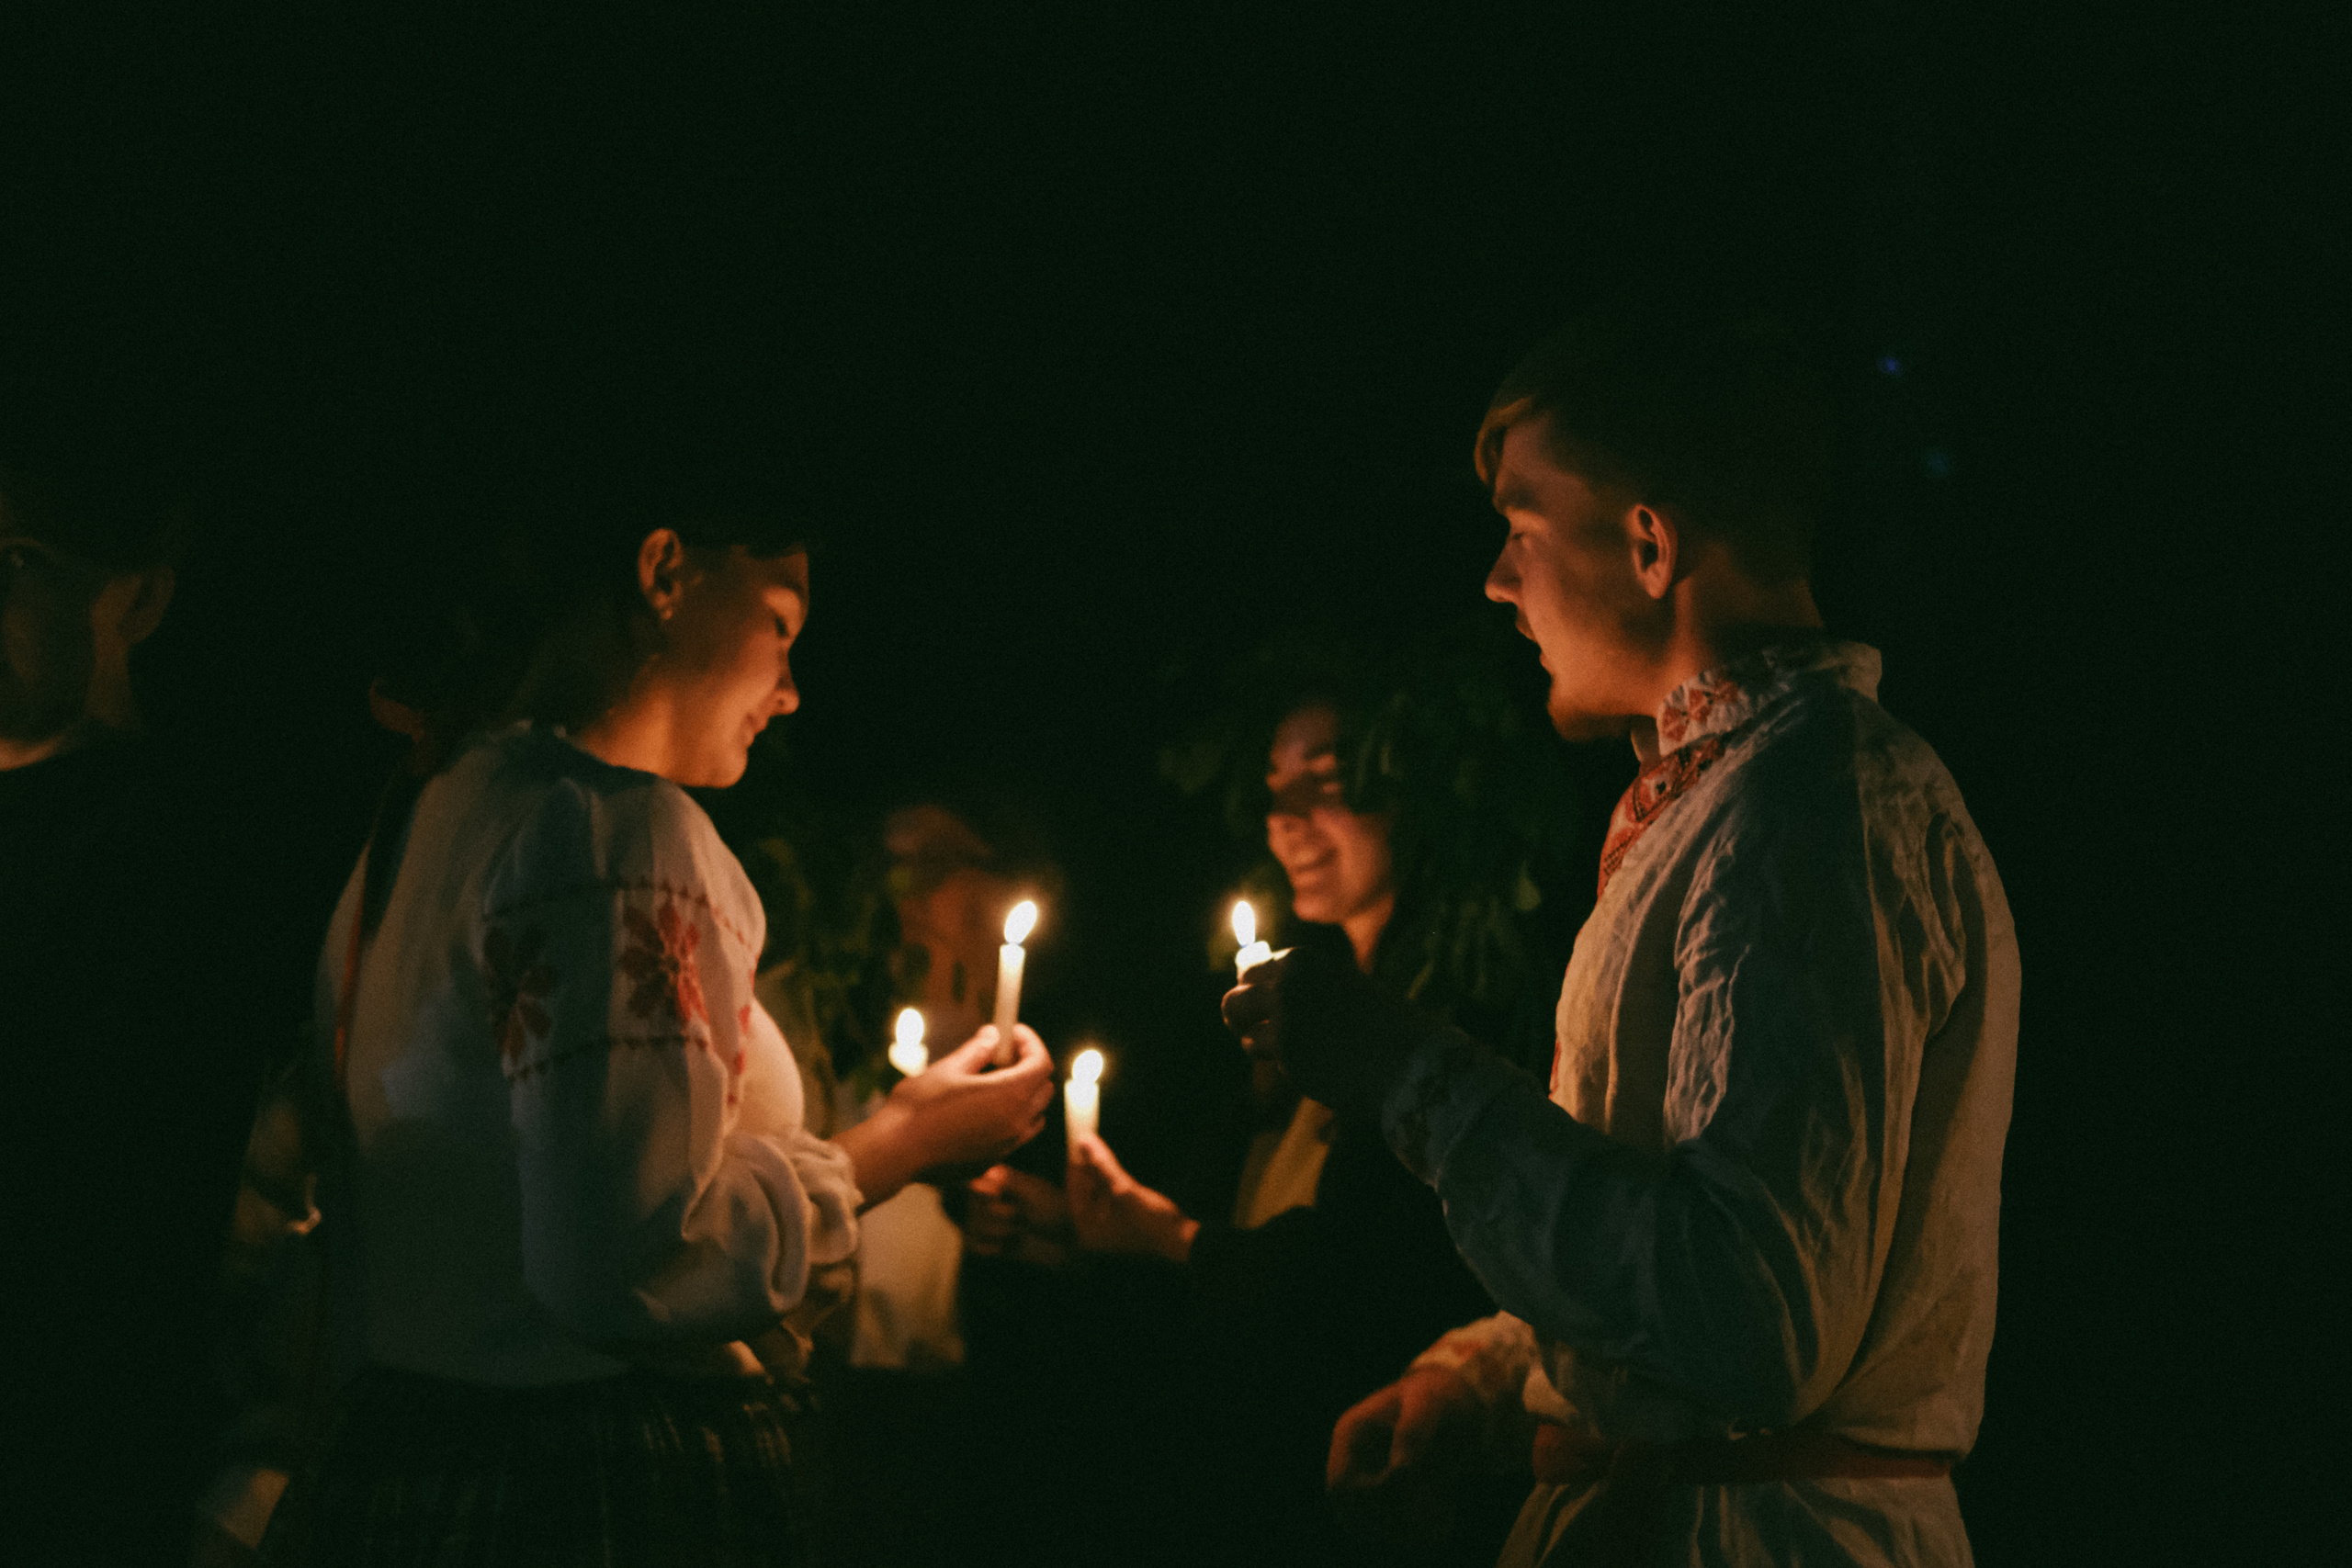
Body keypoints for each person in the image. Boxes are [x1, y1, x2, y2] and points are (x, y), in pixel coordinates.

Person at [1226, 308, 2018, 1567]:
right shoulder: (1724, 801)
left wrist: (1409, 1074)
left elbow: (1753, 1316)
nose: (1497, 579)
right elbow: (1674, 1234)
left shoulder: (1820, 808)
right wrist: (1483, 1381)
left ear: (1649, 543)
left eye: (1523, 530)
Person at [256, 479, 1056, 1566]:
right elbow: (625, 1255)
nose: (790, 693)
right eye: (780, 624)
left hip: (416, 1469)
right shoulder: (609, 832)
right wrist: (901, 1143)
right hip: (588, 1490)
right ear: (665, 573)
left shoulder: (430, 814)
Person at [965, 644, 1577, 1566]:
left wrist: (1169, 1239)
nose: (1283, 819)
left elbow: (1364, 1285)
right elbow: (1231, 1253)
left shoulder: (1466, 1019)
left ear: (1417, 791)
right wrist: (1078, 1234)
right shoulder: (1300, 1018)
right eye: (1273, 787)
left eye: (1325, 783)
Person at [1, 435, 288, 1566]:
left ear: (141, 598)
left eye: (18, 562)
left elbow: (124, 1220)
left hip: (68, 1472)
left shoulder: (168, 866)